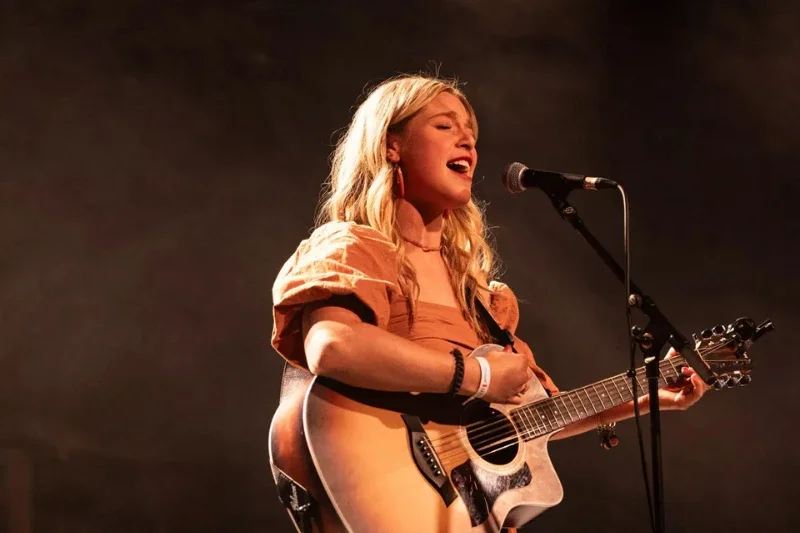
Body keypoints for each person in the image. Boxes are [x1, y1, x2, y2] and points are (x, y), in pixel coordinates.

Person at [270, 73, 707, 532]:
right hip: (386, 495)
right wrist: (477, 376)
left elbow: (532, 416)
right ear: (390, 145)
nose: (467, 142)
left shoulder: (481, 297)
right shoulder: (354, 248)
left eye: (472, 135)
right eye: (445, 126)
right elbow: (333, 346)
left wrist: (648, 394)